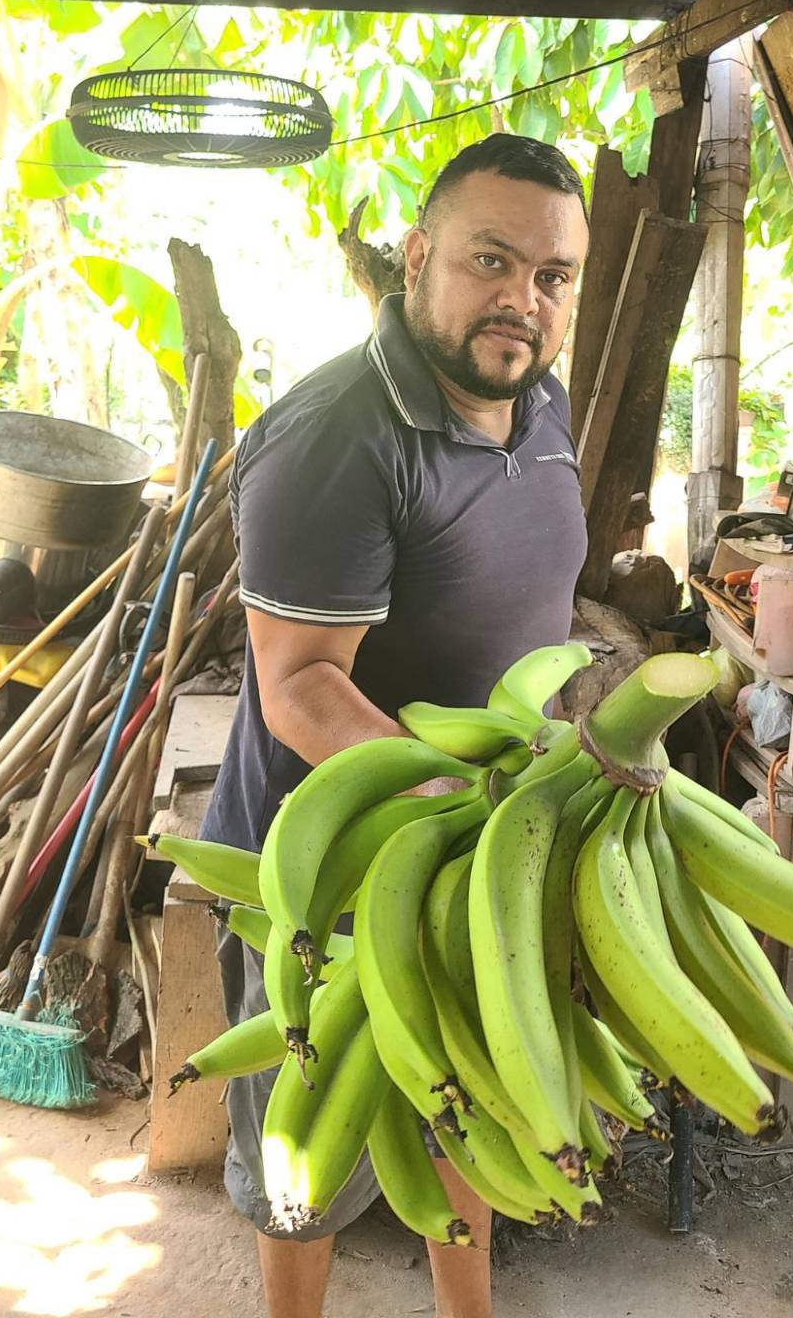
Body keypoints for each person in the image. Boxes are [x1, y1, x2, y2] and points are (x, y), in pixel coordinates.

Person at [204, 132, 591, 1318]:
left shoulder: (540, 403)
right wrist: (450, 796)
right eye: (491, 259)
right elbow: (300, 683)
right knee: (309, 1154)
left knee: (471, 1108)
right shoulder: (334, 435)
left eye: (553, 275)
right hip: (331, 870)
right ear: (418, 255)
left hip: (482, 849)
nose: (523, 298)